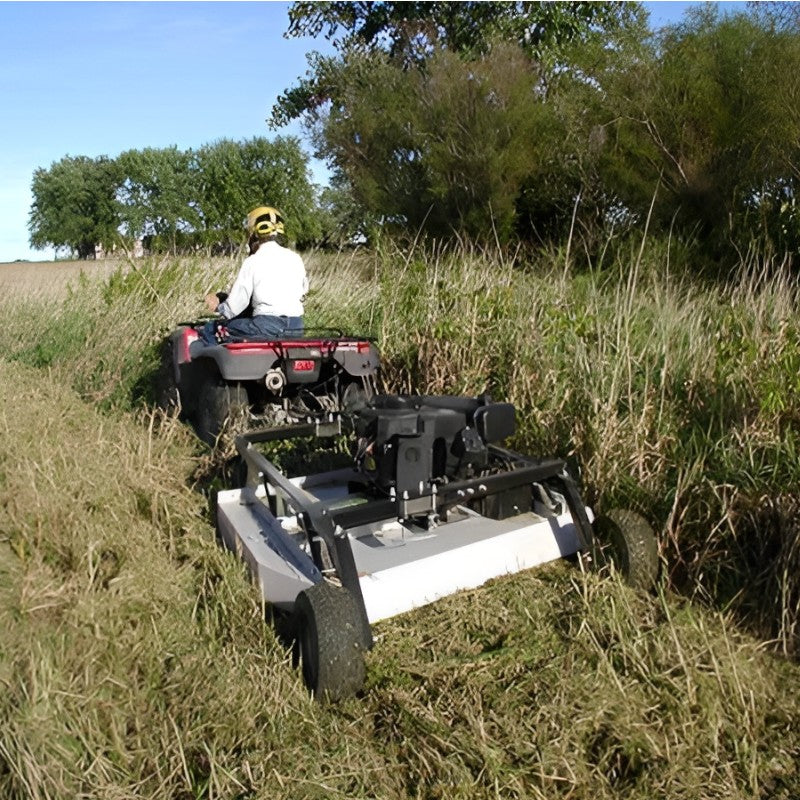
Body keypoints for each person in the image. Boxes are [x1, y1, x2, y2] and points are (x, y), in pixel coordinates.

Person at [200, 205, 308, 344]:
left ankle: (210, 366)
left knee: (212, 329)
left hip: (266, 326)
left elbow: (235, 306)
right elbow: (303, 291)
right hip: (296, 326)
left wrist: (219, 308)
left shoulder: (252, 261)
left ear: (254, 234)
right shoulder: (295, 258)